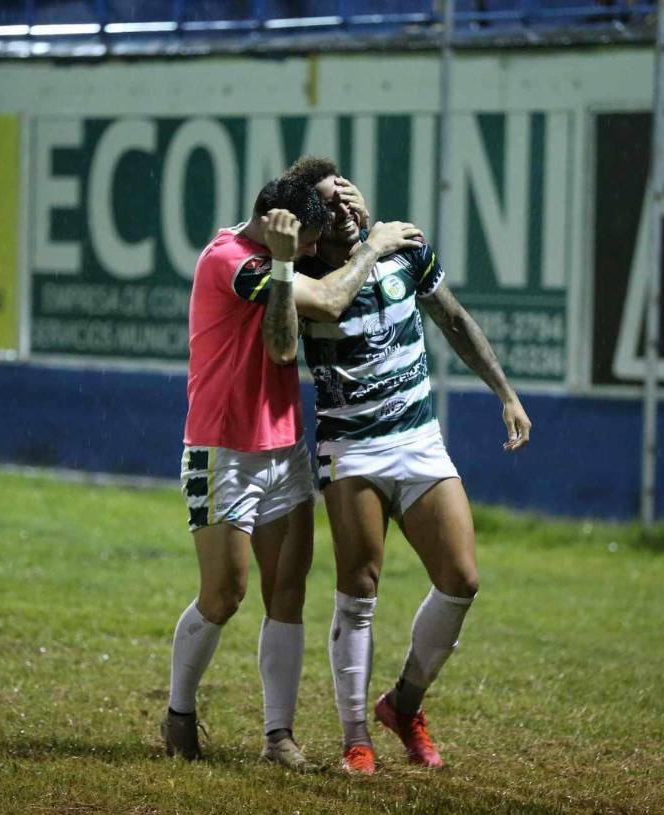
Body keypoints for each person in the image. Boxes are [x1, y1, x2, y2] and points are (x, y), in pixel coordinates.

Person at [163, 175, 422, 770]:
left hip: (284, 451)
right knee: (225, 595)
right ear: (281, 224)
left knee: (288, 592)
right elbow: (316, 313)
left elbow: (323, 272)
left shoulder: (280, 250)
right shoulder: (230, 260)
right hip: (223, 450)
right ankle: (178, 711)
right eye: (308, 239)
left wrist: (328, 189)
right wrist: (372, 248)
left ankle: (278, 736)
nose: (311, 251)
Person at [284, 157, 532, 774]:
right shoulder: (310, 274)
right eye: (328, 201)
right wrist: (366, 244)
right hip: (353, 449)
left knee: (461, 579)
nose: (344, 205)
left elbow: (453, 318)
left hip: (419, 442)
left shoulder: (406, 251)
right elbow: (301, 326)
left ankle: (403, 704)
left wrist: (506, 392)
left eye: (347, 192)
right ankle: (355, 738)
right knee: (359, 589)